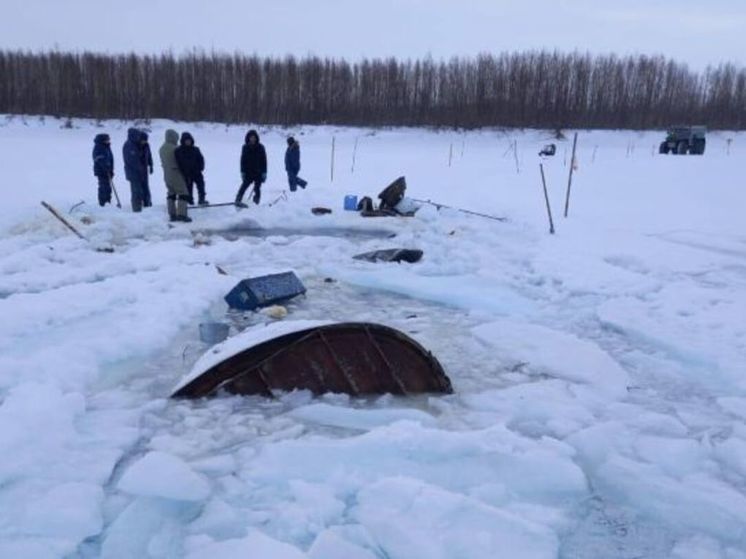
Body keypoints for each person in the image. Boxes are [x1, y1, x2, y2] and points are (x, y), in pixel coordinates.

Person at [158, 129, 192, 222]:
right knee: (183, 193)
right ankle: (181, 214)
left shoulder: (162, 148)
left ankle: (172, 213)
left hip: (166, 174)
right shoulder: (175, 148)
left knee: (171, 193)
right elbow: (180, 162)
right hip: (176, 173)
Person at [175, 132, 208, 205]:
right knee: (189, 188)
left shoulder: (196, 149)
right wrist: (183, 171)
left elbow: (201, 159)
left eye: (189, 140)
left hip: (197, 172)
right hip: (186, 174)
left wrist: (201, 168)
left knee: (201, 186)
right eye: (186, 140)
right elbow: (178, 162)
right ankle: (190, 201)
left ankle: (201, 200)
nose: (188, 142)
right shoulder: (179, 151)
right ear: (183, 141)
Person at [235, 129, 267, 206]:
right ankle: (238, 199)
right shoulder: (245, 147)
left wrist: (264, 172)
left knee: (257, 189)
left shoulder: (261, 147)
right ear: (248, 138)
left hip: (258, 172)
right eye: (251, 137)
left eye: (254, 137)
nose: (253, 139)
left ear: (256, 138)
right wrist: (242, 172)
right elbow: (242, 160)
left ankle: (256, 202)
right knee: (243, 186)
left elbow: (264, 161)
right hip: (248, 172)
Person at [122, 128, 148, 212]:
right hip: (133, 172)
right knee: (136, 191)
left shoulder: (135, 144)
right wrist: (140, 168)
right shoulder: (129, 145)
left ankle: (140, 207)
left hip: (138, 172)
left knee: (140, 190)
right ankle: (136, 209)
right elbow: (133, 160)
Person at [92, 133, 114, 206]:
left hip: (107, 171)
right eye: (107, 140)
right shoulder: (98, 147)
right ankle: (103, 203)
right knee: (103, 187)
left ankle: (108, 202)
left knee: (108, 187)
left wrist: (111, 170)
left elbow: (110, 159)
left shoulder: (107, 147)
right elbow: (99, 159)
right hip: (101, 171)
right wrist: (105, 168)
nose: (108, 141)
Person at [139, 131, 154, 207]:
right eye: (143, 140)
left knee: (146, 185)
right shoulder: (137, 146)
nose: (145, 142)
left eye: (146, 140)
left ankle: (147, 202)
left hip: (145, 168)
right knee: (140, 186)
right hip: (138, 169)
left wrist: (151, 165)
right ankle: (141, 201)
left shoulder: (147, 146)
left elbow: (149, 156)